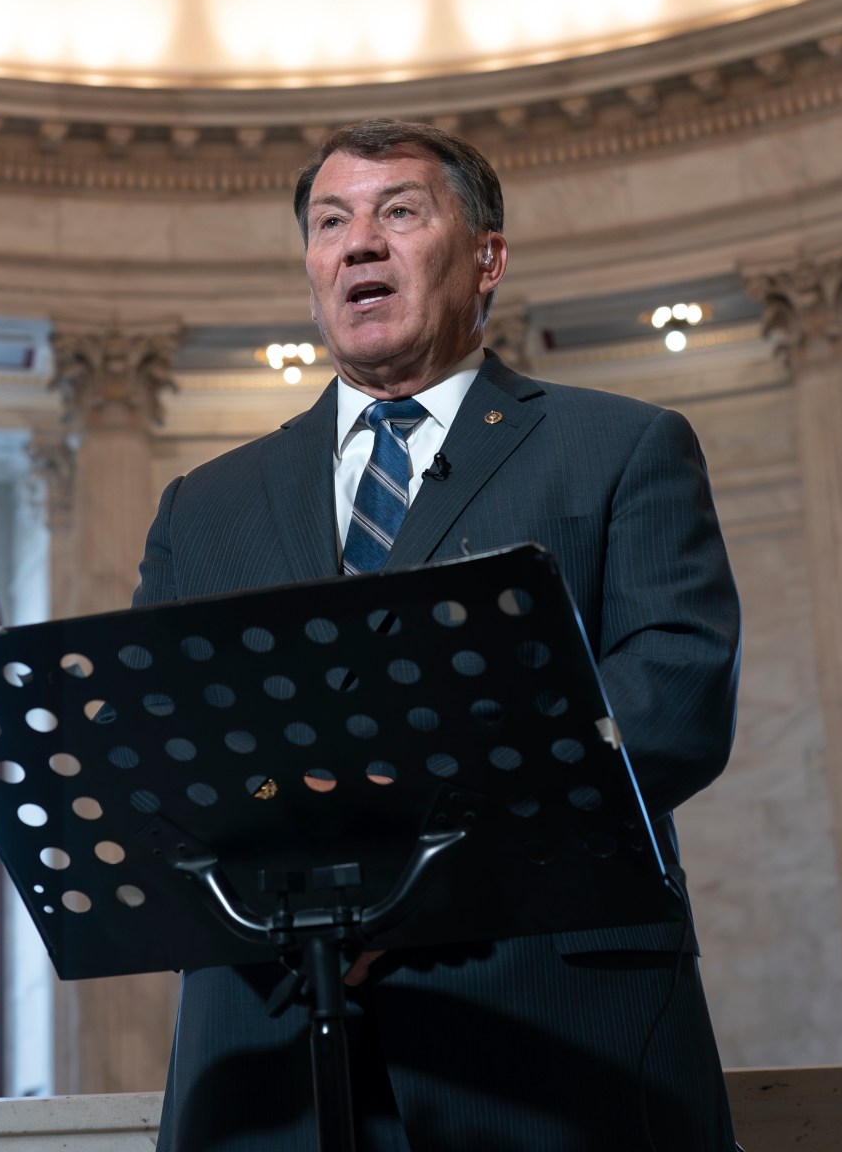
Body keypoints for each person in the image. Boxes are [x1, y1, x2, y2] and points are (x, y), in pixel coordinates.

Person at [132, 119, 743, 1151]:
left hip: (548, 1033)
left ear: (486, 256)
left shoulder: (620, 448)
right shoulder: (206, 506)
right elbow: (157, 744)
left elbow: (670, 701)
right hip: (269, 1048)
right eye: (331, 223)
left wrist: (409, 870)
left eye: (398, 213)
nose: (357, 243)